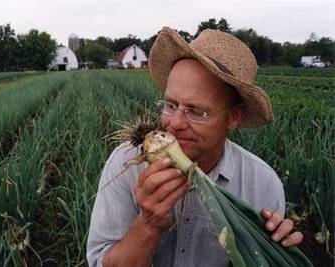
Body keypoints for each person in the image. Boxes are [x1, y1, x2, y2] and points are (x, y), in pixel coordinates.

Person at [87, 27, 303, 267]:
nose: (174, 123)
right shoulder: (126, 163)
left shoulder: (262, 184)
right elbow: (100, 261)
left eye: (196, 111)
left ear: (234, 117)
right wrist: (147, 226)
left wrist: (274, 253)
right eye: (170, 105)